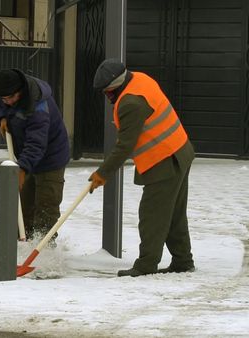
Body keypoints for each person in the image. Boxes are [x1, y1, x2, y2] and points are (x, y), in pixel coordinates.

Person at [88, 59, 195, 277]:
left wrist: (103, 173)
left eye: (108, 93)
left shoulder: (130, 104)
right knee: (173, 213)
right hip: (180, 149)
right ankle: (183, 260)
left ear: (116, 87)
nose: (107, 98)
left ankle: (146, 265)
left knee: (152, 215)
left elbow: (125, 146)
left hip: (164, 159)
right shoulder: (140, 79)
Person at [0, 69, 70, 242]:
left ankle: (43, 249)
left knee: (46, 207)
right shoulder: (8, 92)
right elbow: (1, 104)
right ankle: (20, 245)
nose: (8, 102)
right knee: (23, 206)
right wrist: (2, 117)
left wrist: (23, 168)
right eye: (4, 98)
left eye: (11, 98)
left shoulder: (38, 108)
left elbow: (37, 144)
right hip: (26, 156)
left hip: (51, 158)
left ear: (21, 91)